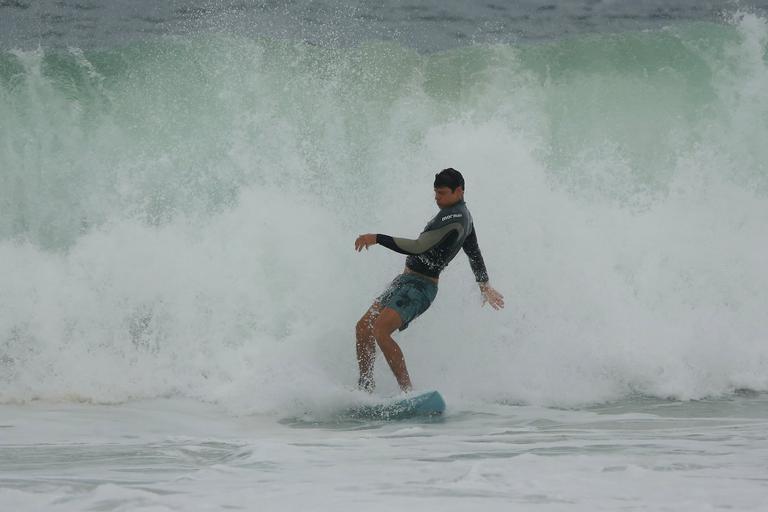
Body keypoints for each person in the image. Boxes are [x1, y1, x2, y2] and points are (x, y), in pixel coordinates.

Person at [354, 168, 504, 392]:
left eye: (442, 193)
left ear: (459, 191)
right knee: (363, 327)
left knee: (381, 330)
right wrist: (484, 285)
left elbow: (418, 247)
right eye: (435, 193)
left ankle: (408, 393)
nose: (437, 198)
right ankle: (365, 388)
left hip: (420, 288)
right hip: (403, 282)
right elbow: (473, 251)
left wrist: (376, 238)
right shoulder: (462, 216)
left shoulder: (455, 217)